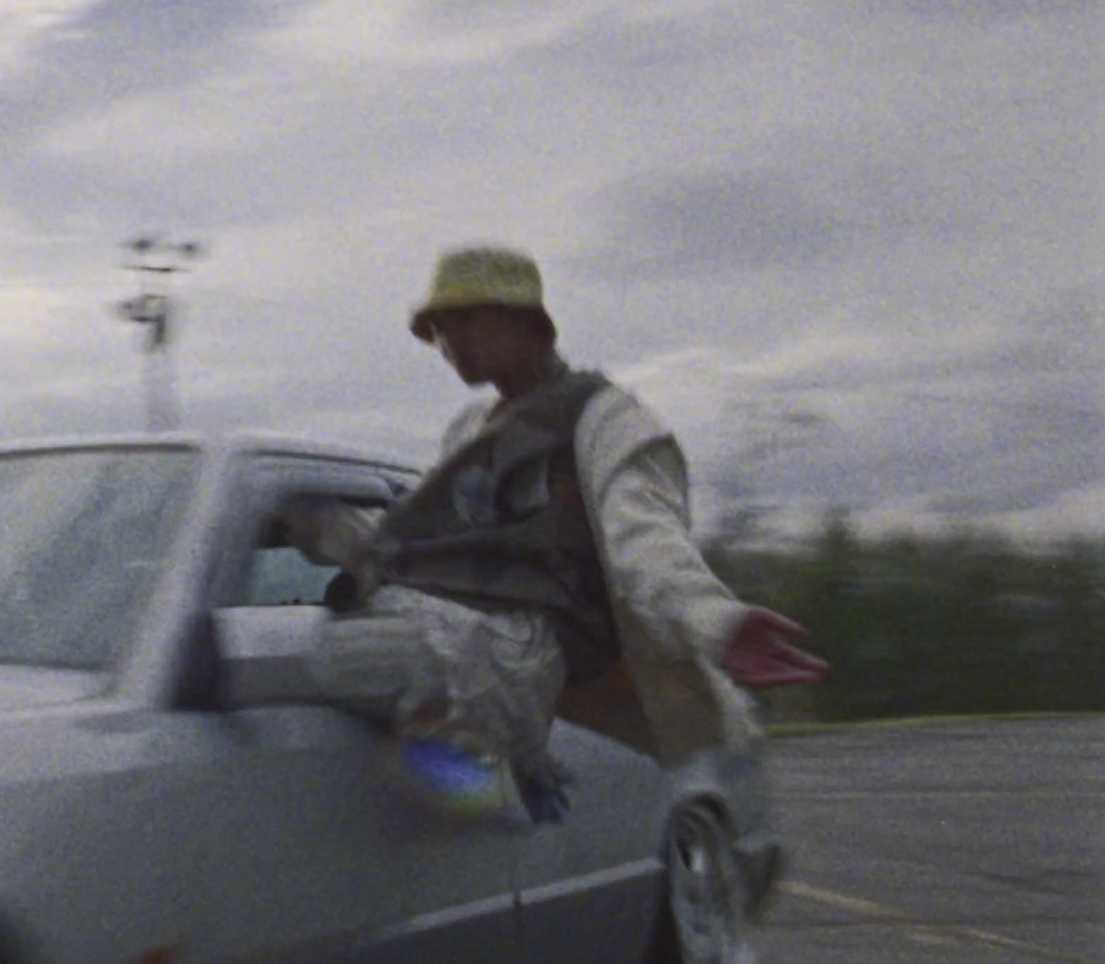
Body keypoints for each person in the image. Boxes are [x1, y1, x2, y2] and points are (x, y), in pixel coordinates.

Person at [286, 244, 827, 822]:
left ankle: (504, 767)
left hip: (534, 642)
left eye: (467, 318)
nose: (451, 341)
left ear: (529, 323)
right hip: (459, 626)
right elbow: (424, 545)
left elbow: (644, 541)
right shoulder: (469, 433)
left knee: (337, 657)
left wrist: (715, 622)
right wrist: (315, 523)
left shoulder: (604, 419)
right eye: (440, 329)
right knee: (322, 650)